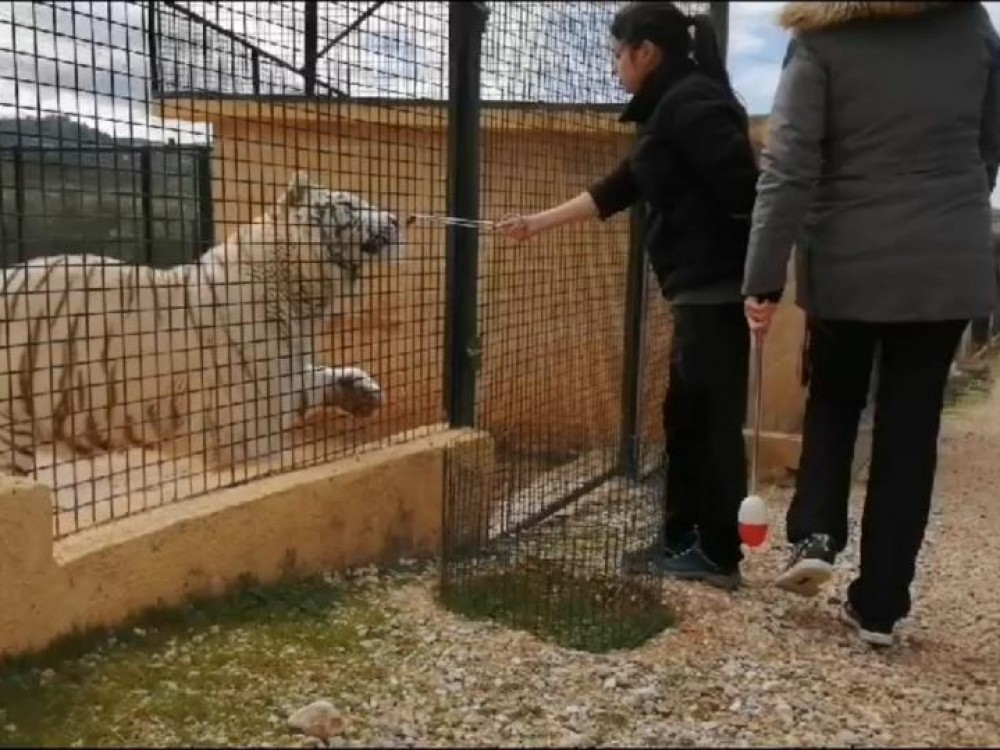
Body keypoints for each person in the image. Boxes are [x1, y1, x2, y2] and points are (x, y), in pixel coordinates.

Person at [743, 2, 1000, 646]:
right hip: (945, 259)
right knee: (911, 428)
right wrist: (954, 212)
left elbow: (789, 163)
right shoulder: (971, 24)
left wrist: (763, 276)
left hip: (848, 256)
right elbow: (989, 146)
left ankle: (816, 535)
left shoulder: (822, 32)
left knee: (834, 398)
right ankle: (881, 606)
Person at [498, 2, 760, 590]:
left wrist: (756, 280)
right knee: (685, 418)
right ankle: (683, 538)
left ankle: (718, 552)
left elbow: (745, 189)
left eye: (618, 53)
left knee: (709, 422)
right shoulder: (668, 108)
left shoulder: (691, 103)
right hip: (696, 291)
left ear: (646, 52)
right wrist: (535, 224)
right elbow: (620, 187)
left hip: (714, 291)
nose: (615, 64)